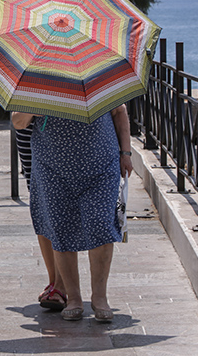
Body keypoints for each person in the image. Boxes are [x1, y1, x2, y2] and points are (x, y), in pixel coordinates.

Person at [12, 105, 133, 322]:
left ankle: (100, 297)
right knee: (61, 227)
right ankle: (74, 298)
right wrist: (33, 109)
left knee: (101, 224)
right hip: (53, 168)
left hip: (100, 165)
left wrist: (125, 153)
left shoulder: (97, 74)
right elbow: (18, 122)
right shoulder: (41, 80)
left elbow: (119, 112)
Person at [15, 121, 66, 311]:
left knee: (59, 207)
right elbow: (17, 119)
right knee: (40, 204)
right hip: (29, 129)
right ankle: (54, 281)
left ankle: (61, 285)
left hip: (59, 130)